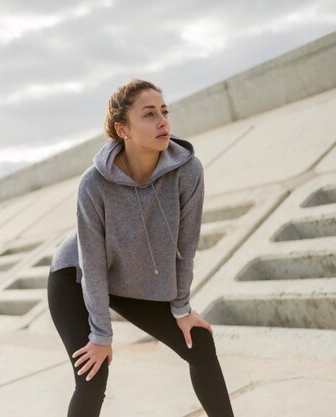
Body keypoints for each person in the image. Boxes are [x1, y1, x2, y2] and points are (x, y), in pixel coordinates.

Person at [47, 79, 234, 417]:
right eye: (149, 114)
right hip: (76, 275)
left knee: (199, 343)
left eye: (164, 111)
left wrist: (182, 310)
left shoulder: (188, 171)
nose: (163, 121)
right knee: (93, 373)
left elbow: (186, 247)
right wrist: (101, 334)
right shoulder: (94, 183)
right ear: (123, 129)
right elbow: (91, 262)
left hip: (132, 275)